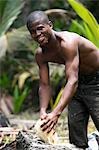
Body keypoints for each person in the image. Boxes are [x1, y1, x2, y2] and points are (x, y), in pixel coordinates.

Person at [26, 10, 99, 149]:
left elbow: (72, 80)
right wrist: (43, 111)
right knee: (76, 130)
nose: (37, 34)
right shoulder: (41, 54)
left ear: (50, 25)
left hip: (96, 80)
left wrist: (56, 113)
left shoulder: (68, 43)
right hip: (78, 81)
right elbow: (44, 84)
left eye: (40, 28)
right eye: (33, 31)